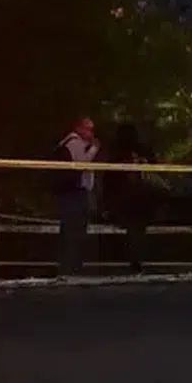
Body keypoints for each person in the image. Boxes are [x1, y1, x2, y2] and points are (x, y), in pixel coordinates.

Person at [101, 123, 164, 274]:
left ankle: (133, 263)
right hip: (139, 202)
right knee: (137, 231)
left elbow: (108, 181)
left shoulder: (117, 154)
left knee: (134, 231)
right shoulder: (140, 151)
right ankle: (136, 262)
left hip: (127, 202)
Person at [54, 117, 99, 277]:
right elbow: (82, 163)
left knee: (71, 230)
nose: (91, 133)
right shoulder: (74, 143)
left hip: (71, 193)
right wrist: (93, 149)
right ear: (79, 128)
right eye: (88, 129)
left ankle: (69, 266)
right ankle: (71, 268)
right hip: (75, 193)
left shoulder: (69, 143)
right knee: (74, 231)